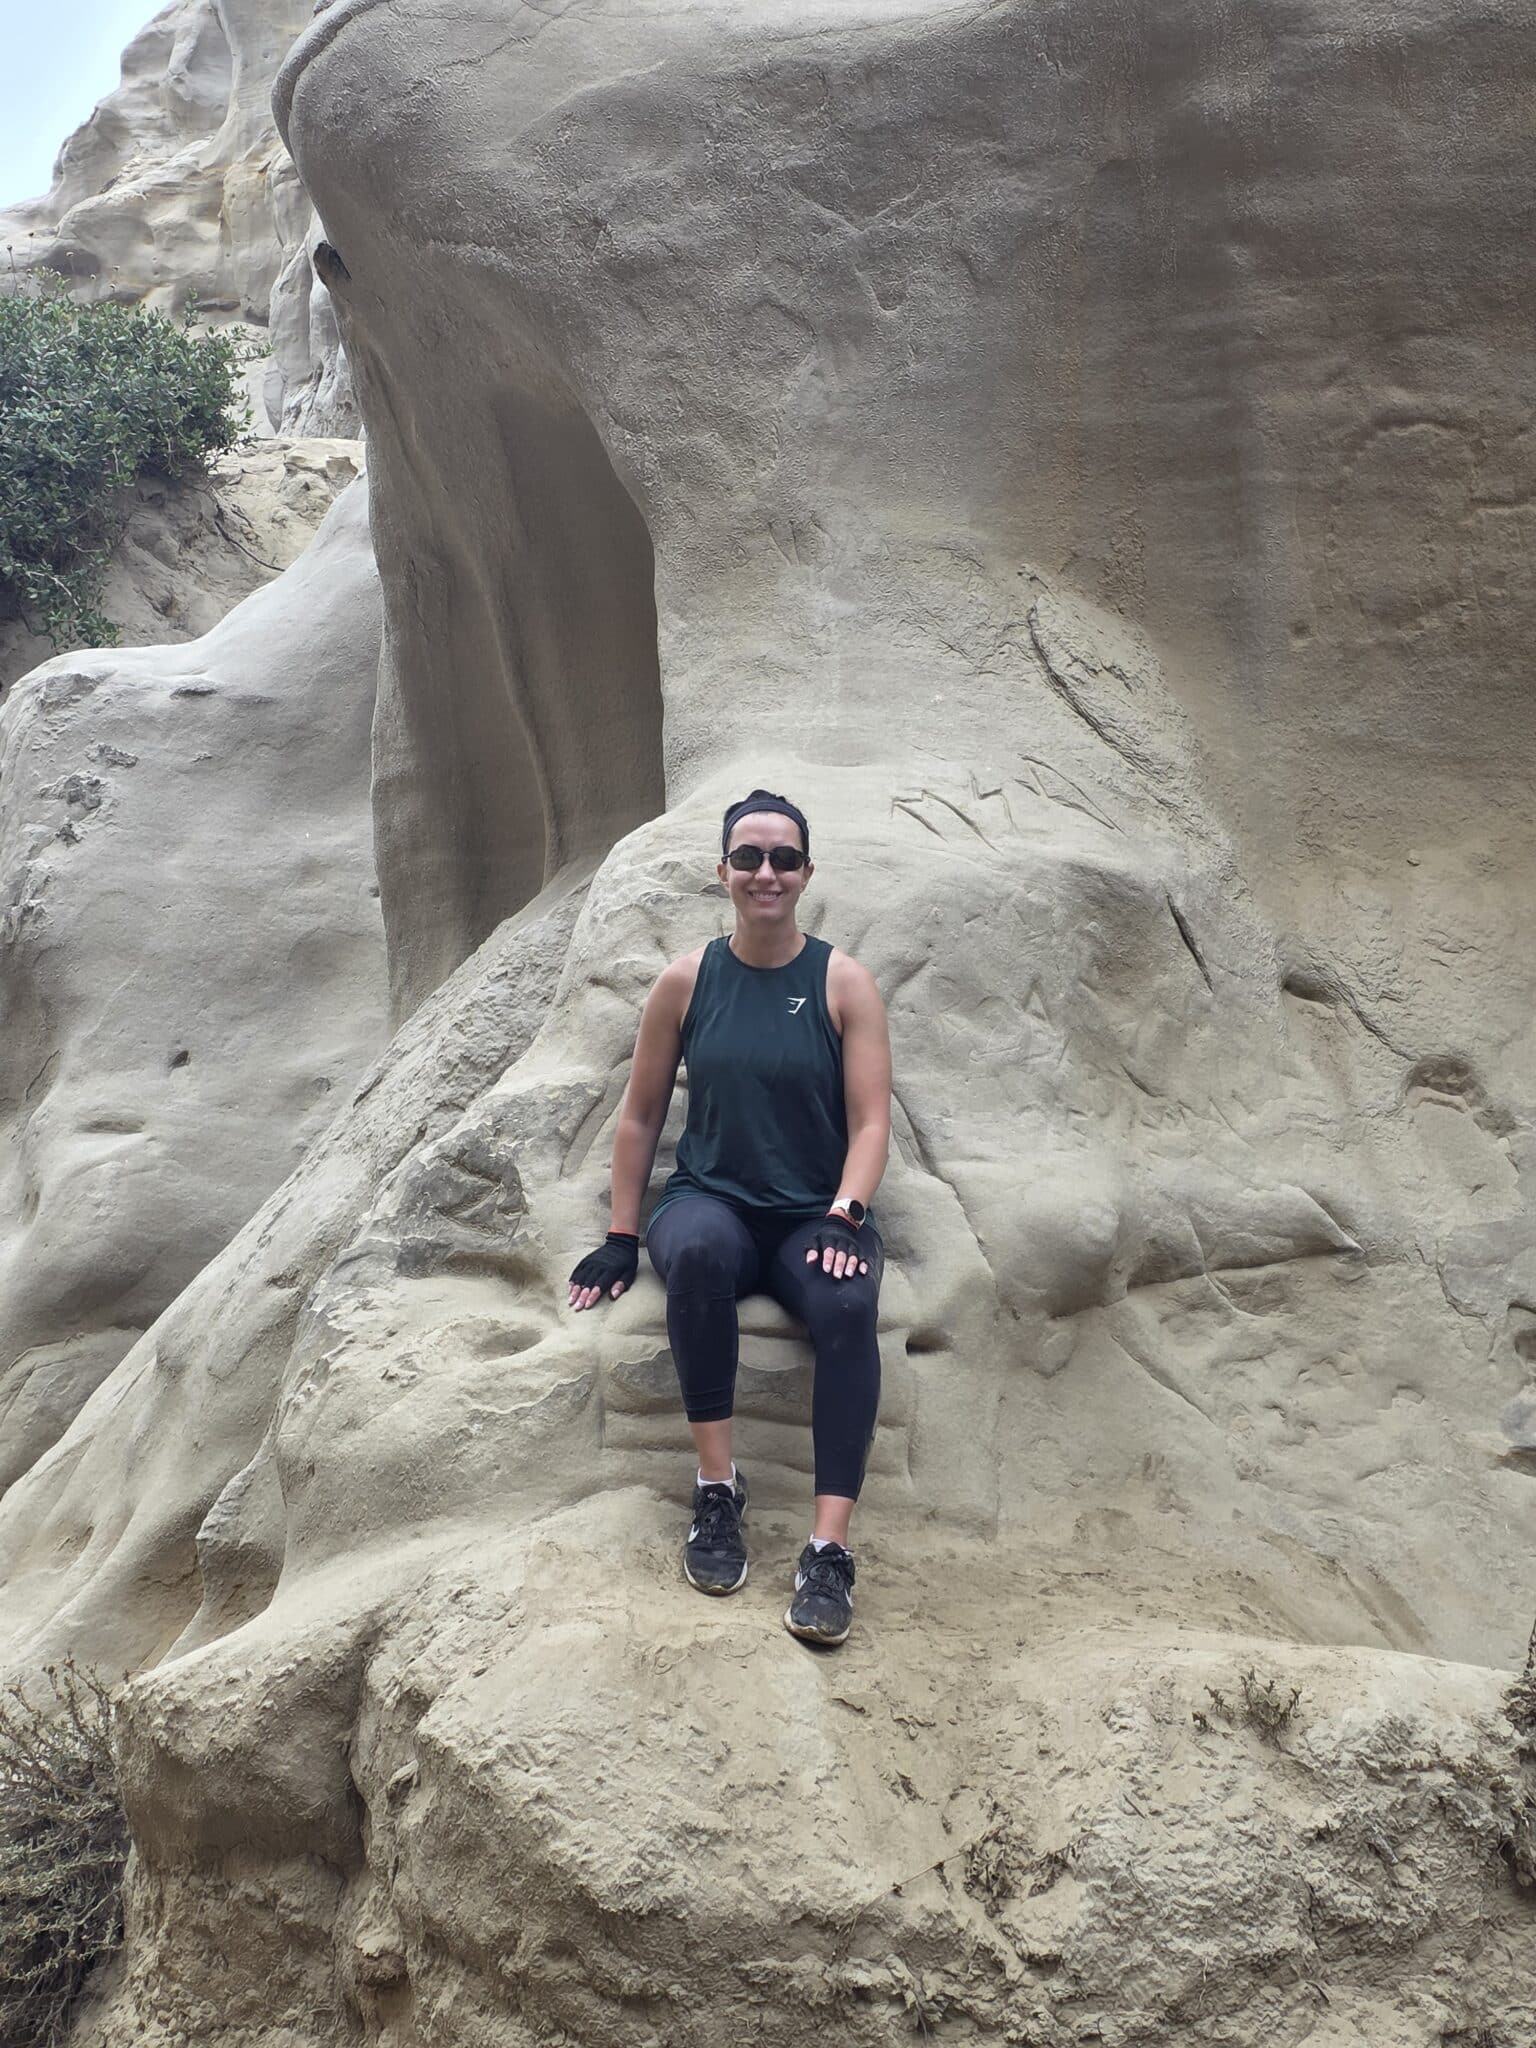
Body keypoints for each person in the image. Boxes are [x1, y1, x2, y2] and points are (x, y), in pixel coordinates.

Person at [567, 789, 892, 1646]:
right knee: (700, 1255)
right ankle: (718, 1491)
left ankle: (829, 1549)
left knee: (849, 1305)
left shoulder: (843, 982)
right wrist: (622, 1234)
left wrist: (846, 1215)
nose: (765, 873)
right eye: (748, 857)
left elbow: (871, 1124)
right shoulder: (687, 980)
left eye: (783, 858)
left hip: (815, 1215)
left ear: (807, 872)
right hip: (710, 1200)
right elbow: (640, 1116)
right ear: (723, 872)